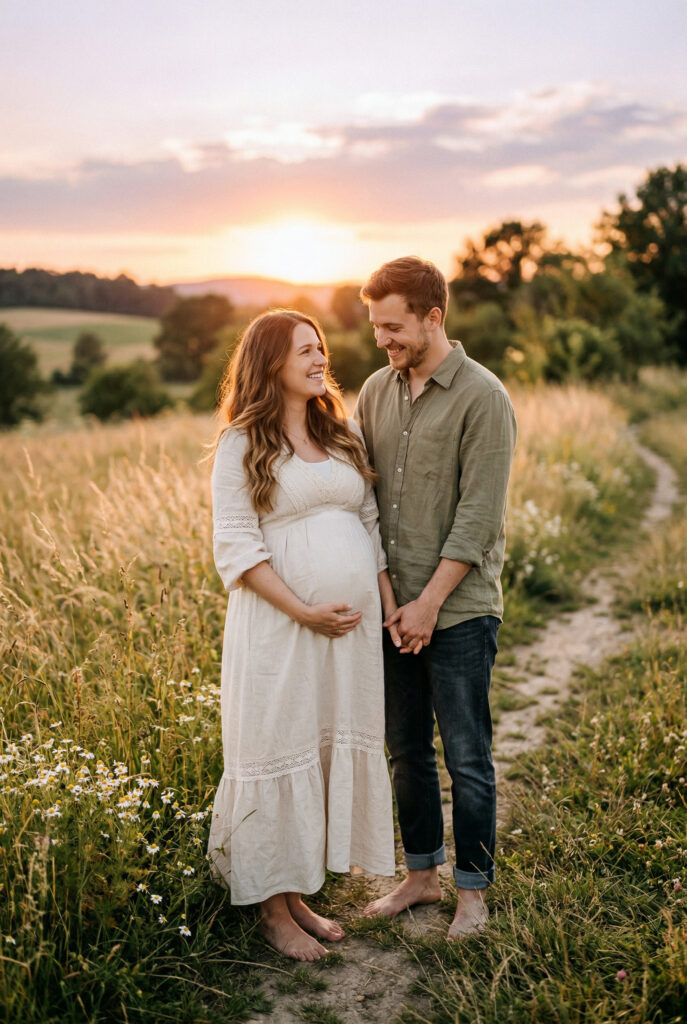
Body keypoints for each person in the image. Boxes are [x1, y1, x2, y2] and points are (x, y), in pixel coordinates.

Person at [206, 309, 396, 962]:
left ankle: (294, 895)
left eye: (319, 349)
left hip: (347, 637)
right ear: (269, 366)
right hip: (278, 632)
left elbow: (369, 524)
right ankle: (270, 910)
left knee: (315, 750)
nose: (320, 360)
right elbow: (233, 545)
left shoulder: (341, 433)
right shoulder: (241, 441)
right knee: (275, 744)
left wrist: (389, 607)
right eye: (304, 352)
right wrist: (303, 609)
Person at [354, 257, 517, 940]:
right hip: (393, 608)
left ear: (432, 317)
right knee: (404, 750)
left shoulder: (483, 397)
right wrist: (393, 598)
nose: (382, 340)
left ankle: (472, 892)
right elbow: (365, 504)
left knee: (465, 754)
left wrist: (428, 605)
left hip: (458, 609)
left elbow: (477, 518)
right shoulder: (372, 391)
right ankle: (421, 876)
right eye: (375, 328)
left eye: (393, 327)